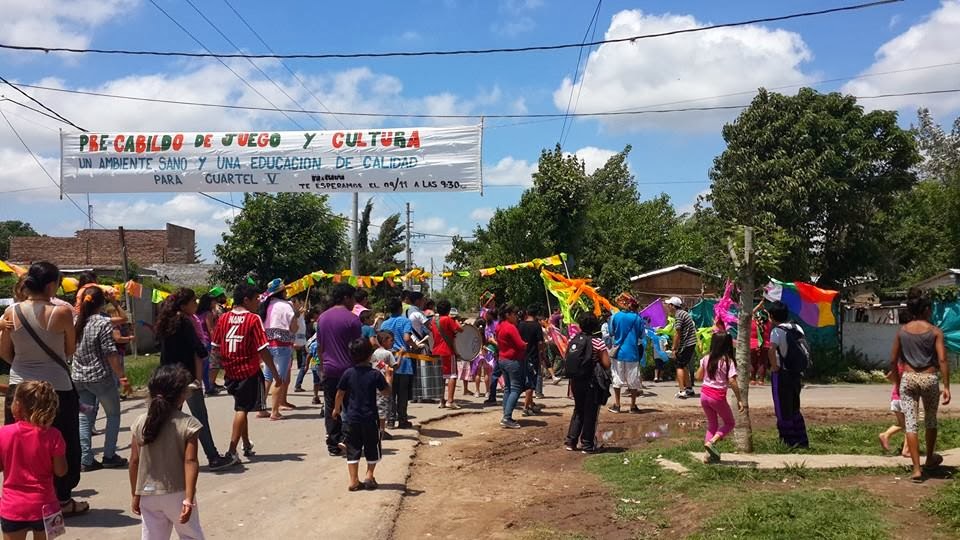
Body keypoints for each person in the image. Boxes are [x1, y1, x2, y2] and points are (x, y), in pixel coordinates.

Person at [0, 262, 88, 517]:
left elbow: (5, 353)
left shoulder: (11, 312)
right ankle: (61, 500)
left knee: (20, 441)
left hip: (20, 387)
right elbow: (69, 350)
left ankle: (19, 498)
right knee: (63, 442)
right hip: (56, 388)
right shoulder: (60, 313)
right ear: (51, 285)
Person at [155, 288, 235, 472]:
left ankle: (169, 461)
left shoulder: (166, 321)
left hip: (167, 376)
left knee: (170, 419)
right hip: (186, 377)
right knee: (200, 419)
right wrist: (199, 378)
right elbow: (198, 350)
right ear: (184, 305)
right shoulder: (186, 321)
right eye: (193, 302)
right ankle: (213, 457)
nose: (196, 305)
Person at [129, 365, 205, 539]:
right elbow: (191, 462)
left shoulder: (140, 423)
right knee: (190, 535)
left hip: (148, 494)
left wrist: (135, 494)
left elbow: (134, 461)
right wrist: (189, 498)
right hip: (177, 493)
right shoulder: (188, 424)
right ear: (181, 396)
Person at [210, 284, 280, 467]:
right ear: (246, 300)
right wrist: (274, 373)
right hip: (247, 371)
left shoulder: (223, 318)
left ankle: (246, 443)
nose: (259, 302)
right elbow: (263, 349)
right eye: (256, 298)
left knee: (241, 406)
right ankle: (231, 451)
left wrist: (212, 374)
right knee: (242, 409)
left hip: (230, 371)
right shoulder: (253, 319)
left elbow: (215, 348)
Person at [890, 288, 950, 483]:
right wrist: (947, 386)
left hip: (908, 378)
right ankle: (930, 459)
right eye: (930, 309)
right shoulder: (935, 332)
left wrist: (898, 384)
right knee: (931, 419)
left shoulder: (902, 331)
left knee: (911, 422)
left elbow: (893, 360)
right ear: (925, 310)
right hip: (929, 378)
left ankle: (916, 469)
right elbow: (942, 360)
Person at [71, 286, 131, 472]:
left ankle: (86, 459)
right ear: (102, 303)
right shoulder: (103, 323)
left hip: (79, 378)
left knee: (84, 418)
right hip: (100, 378)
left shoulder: (76, 321)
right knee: (113, 414)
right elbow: (110, 353)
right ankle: (109, 455)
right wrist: (122, 377)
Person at [0, 381, 67, 539]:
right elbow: (61, 471)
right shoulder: (54, 435)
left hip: (13, 507)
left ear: (17, 405)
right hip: (46, 505)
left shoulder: (3, 434)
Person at [333, 338, 391, 491]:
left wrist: (336, 409)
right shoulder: (375, 374)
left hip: (352, 418)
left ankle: (353, 481)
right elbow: (386, 392)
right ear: (370, 355)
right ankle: (369, 475)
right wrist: (389, 378)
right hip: (370, 418)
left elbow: (339, 393)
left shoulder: (348, 373)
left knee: (352, 449)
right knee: (372, 447)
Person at [315, 284, 362, 456]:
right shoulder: (353, 319)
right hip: (350, 370)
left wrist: (321, 366)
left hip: (330, 369)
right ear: (345, 298)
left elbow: (320, 346)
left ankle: (333, 443)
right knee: (351, 406)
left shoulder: (322, 318)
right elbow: (358, 347)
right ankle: (348, 440)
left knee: (331, 406)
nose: (354, 302)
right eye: (352, 298)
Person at [564, 313, 611, 453]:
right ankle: (587, 445)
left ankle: (571, 441)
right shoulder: (597, 342)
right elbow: (607, 363)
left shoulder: (573, 339)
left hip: (575, 381)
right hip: (591, 381)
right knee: (591, 412)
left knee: (578, 410)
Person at [768, 301, 810, 449]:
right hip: (796, 373)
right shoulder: (797, 327)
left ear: (772, 316)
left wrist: (774, 367)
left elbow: (771, 350)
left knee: (782, 408)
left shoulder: (776, 332)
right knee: (794, 406)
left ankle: (788, 441)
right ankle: (801, 439)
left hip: (782, 374)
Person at [696, 333, 743, 463]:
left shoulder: (706, 358)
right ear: (727, 345)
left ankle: (707, 456)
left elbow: (698, 376)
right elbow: (732, 381)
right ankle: (712, 442)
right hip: (717, 396)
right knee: (730, 423)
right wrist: (739, 399)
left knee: (712, 425)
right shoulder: (728, 361)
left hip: (704, 395)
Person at [260, 279, 300, 420]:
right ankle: (275, 411)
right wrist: (296, 316)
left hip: (267, 343)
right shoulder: (286, 305)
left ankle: (262, 408)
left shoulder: (265, 305)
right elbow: (294, 327)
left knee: (267, 376)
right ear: (282, 292)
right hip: (282, 345)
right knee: (279, 378)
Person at [379, 298, 414, 429]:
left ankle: (390, 420)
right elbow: (407, 338)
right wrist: (415, 346)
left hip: (388, 361)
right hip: (403, 361)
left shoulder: (384, 324)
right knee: (403, 393)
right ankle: (403, 419)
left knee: (390, 392)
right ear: (400, 309)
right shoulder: (405, 321)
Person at [608, 293, 646, 413]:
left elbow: (611, 332)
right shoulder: (637, 318)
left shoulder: (615, 317)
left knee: (617, 378)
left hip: (619, 352)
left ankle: (617, 405)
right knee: (633, 380)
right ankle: (633, 406)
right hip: (633, 353)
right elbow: (641, 335)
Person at [495, 305, 527, 429]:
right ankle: (507, 417)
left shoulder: (499, 326)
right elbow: (520, 345)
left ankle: (506, 415)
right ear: (508, 314)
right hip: (513, 361)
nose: (516, 316)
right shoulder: (510, 327)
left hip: (502, 359)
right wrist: (525, 344)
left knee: (508, 388)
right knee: (515, 389)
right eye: (514, 314)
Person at [431, 300, 463, 409]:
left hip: (436, 351)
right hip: (448, 351)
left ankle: (441, 401)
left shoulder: (433, 320)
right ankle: (450, 400)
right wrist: (456, 320)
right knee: (452, 375)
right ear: (448, 310)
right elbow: (460, 329)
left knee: (441, 377)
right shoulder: (448, 320)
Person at [665, 297, 697, 399]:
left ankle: (682, 390)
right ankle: (689, 388)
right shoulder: (683, 313)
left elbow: (677, 334)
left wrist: (674, 348)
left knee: (679, 365)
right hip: (690, 343)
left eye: (669, 305)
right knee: (684, 365)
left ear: (673, 306)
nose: (668, 307)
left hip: (687, 343)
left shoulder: (679, 315)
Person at [517, 305, 545, 417]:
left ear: (527, 312)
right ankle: (526, 407)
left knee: (527, 380)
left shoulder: (520, 325)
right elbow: (540, 343)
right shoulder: (536, 326)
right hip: (533, 356)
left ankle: (531, 403)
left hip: (522, 356)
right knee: (531, 383)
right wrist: (542, 353)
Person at [878, 361, 909, 457]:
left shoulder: (899, 365)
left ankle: (885, 435)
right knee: (911, 426)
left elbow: (888, 377)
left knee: (902, 424)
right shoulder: (911, 367)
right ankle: (906, 450)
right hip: (906, 399)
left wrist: (897, 383)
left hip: (895, 398)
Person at [295, 304, 324, 404]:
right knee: (323, 381)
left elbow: (309, 356)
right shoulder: (315, 325)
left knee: (316, 381)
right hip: (320, 364)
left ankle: (315, 396)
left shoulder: (306, 323)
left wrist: (308, 365)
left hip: (313, 361)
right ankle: (299, 385)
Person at [202, 287, 228, 395]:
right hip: (215, 338)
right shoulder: (216, 308)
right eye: (222, 295)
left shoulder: (216, 308)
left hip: (217, 337)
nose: (225, 297)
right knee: (214, 363)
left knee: (217, 363)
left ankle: (212, 383)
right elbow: (215, 325)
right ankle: (210, 384)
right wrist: (216, 341)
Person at [372, 331, 398, 440]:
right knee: (383, 408)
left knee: (375, 406)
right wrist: (400, 356)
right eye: (391, 340)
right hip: (385, 383)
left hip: (373, 382)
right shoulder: (388, 354)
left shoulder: (374, 353)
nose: (392, 342)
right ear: (384, 341)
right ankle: (381, 431)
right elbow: (395, 367)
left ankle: (376, 429)